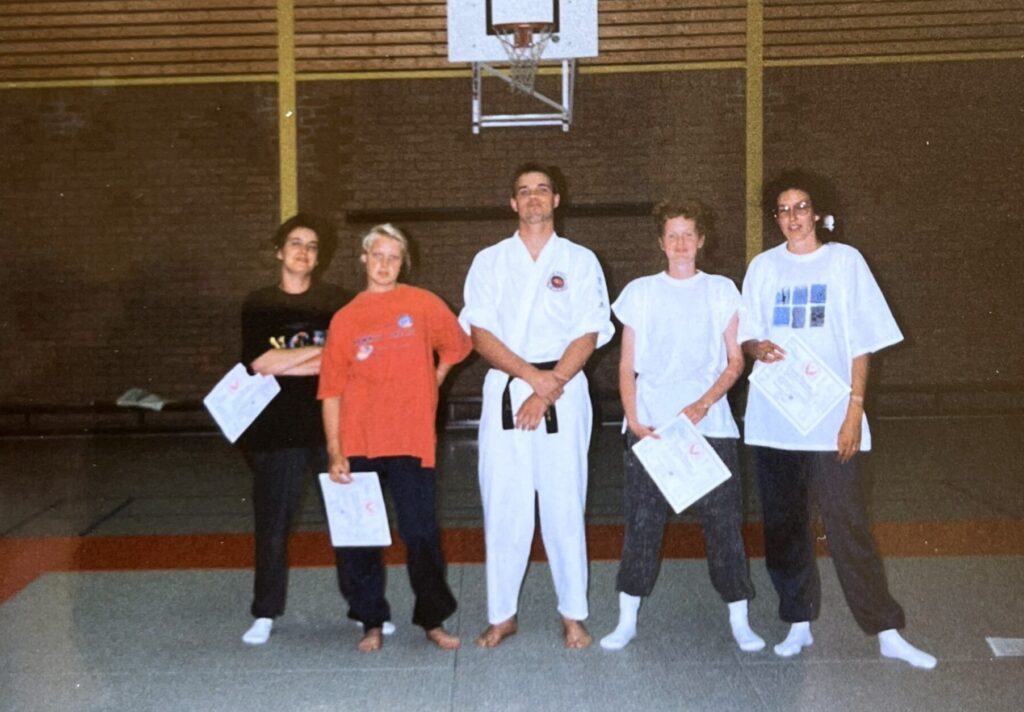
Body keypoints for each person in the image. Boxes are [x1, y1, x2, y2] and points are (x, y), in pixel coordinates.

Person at [739, 169, 937, 669]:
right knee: (785, 526)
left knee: (847, 524)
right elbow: (747, 333)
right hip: (776, 419)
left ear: (818, 211)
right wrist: (754, 346)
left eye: (801, 207)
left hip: (832, 420)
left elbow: (862, 343)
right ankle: (798, 621)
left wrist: (853, 413)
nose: (792, 218)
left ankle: (886, 628)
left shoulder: (845, 262)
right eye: (782, 210)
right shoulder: (763, 267)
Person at [600, 199, 765, 653]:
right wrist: (633, 419)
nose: (679, 243)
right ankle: (626, 618)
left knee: (724, 524)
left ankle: (739, 617)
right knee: (643, 523)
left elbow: (736, 362)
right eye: (671, 234)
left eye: (687, 234)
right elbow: (627, 364)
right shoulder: (640, 292)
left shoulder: (721, 290)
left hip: (711, 425)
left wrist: (703, 404)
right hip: (653, 425)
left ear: (701, 240)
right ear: (660, 241)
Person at [460, 163, 614, 649]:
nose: (532, 199)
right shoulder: (489, 260)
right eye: (523, 192)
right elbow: (479, 333)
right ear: (512, 203)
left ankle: (573, 613)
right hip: (508, 388)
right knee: (504, 504)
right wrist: (531, 381)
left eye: (541, 190)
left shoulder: (581, 259)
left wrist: (550, 387)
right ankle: (502, 614)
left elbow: (589, 331)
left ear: (556, 200)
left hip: (565, 390)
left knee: (565, 501)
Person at [319, 223, 471, 652]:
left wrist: (435, 378)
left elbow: (458, 345)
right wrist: (335, 450)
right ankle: (370, 620)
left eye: (393, 257)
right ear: (364, 259)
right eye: (377, 255)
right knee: (360, 539)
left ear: (403, 262)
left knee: (420, 533)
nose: (384, 264)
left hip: (411, 439)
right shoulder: (346, 318)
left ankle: (432, 620)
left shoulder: (422, 304)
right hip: (359, 441)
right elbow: (330, 391)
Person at [238, 213, 351, 646]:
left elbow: (345, 360)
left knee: (348, 522)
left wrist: (294, 359)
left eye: (312, 246)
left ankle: (365, 610)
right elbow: (259, 362)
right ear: (279, 251)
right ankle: (264, 613)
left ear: (318, 257)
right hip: (275, 432)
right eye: (296, 243)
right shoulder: (259, 303)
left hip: (332, 427)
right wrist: (320, 353)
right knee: (272, 527)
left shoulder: (337, 301)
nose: (303, 251)